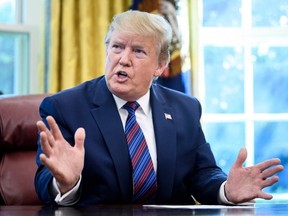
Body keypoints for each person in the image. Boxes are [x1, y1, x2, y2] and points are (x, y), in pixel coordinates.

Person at [35, 10, 283, 206]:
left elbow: (202, 172)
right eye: (117, 47)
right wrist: (66, 183)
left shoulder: (185, 108)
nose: (123, 59)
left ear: (160, 65)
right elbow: (44, 179)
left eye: (138, 51)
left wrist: (226, 189)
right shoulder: (64, 107)